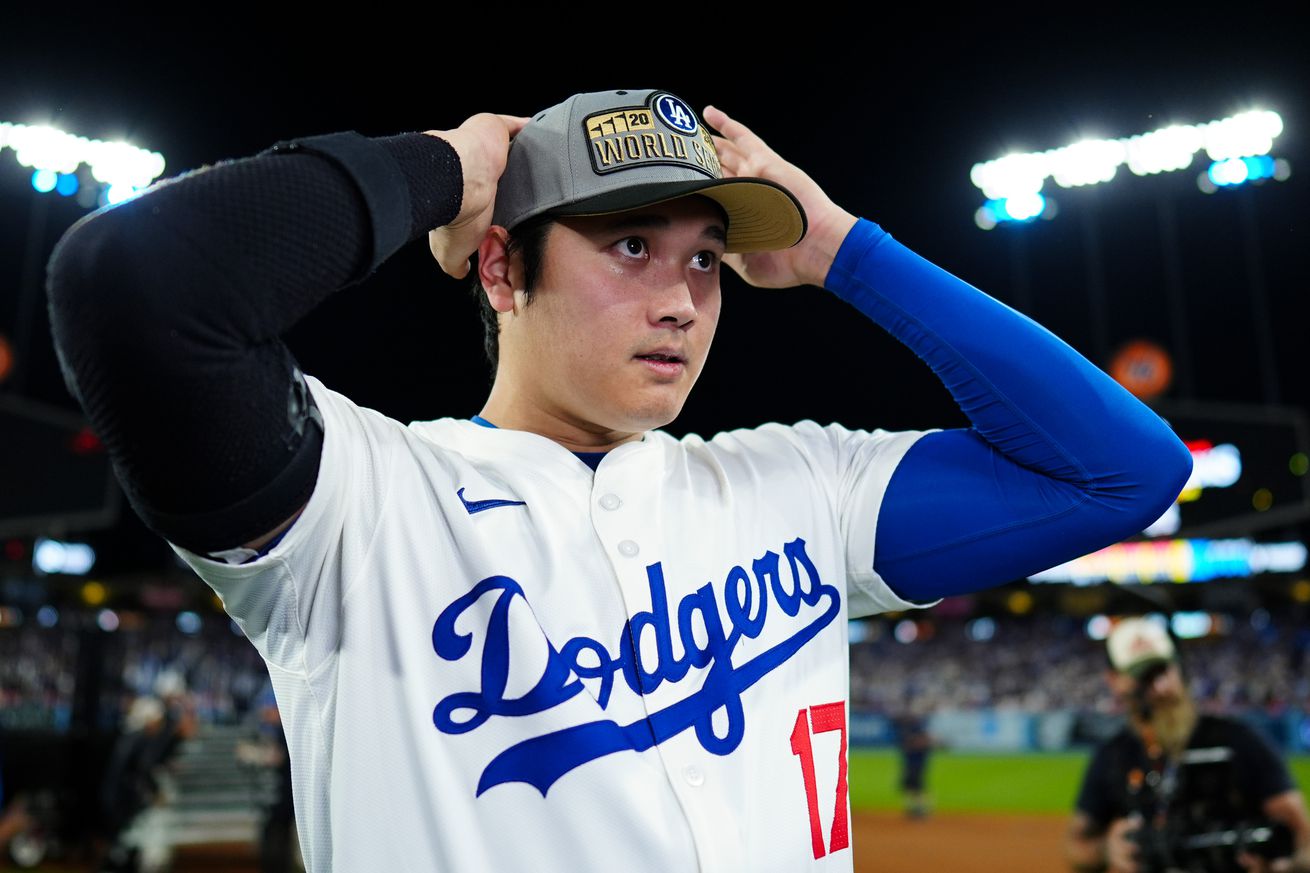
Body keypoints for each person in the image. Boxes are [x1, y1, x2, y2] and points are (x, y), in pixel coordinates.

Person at [46, 88, 1192, 871]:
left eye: (704, 255)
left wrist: (842, 247)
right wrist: (453, 166)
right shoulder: (361, 505)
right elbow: (132, 281)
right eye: (628, 245)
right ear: (503, 265)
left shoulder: (798, 486)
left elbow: (1120, 472)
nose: (682, 297)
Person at [1065, 617, 1310, 873]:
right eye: (1144, 677)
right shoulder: (1112, 756)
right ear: (1114, 680)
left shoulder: (1238, 741)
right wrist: (1107, 848)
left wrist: (1284, 864)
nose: (1160, 688)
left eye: (1164, 670)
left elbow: (1304, 842)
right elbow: (1075, 845)